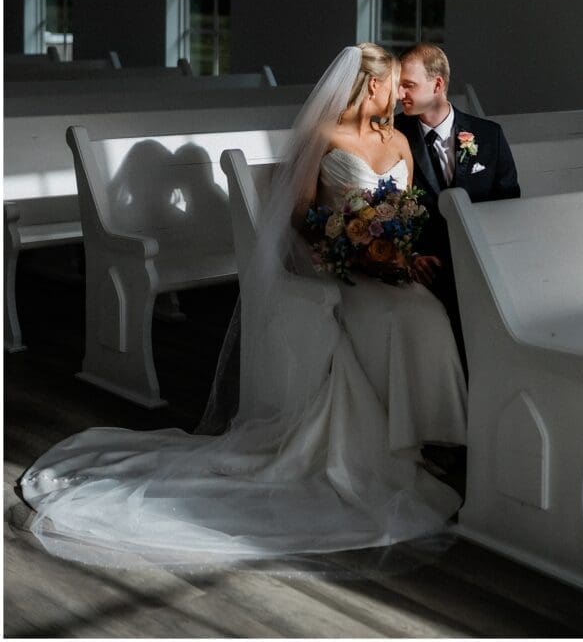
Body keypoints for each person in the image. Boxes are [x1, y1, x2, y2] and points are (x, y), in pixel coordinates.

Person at [20, 43, 467, 570]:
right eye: (394, 82)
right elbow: (299, 217)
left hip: (387, 267)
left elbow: (406, 209)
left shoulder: (398, 141)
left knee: (427, 314)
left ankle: (440, 440)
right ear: (372, 85)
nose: (398, 93)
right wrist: (348, 246)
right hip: (342, 270)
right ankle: (404, 440)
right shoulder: (326, 138)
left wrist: (398, 251)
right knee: (397, 319)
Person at [395, 43, 521, 375]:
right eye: (398, 84)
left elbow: (509, 207)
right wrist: (409, 255)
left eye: (408, 85)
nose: (398, 94)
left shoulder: (489, 136)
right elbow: (385, 207)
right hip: (426, 269)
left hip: (482, 265)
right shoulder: (392, 136)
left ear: (437, 85)